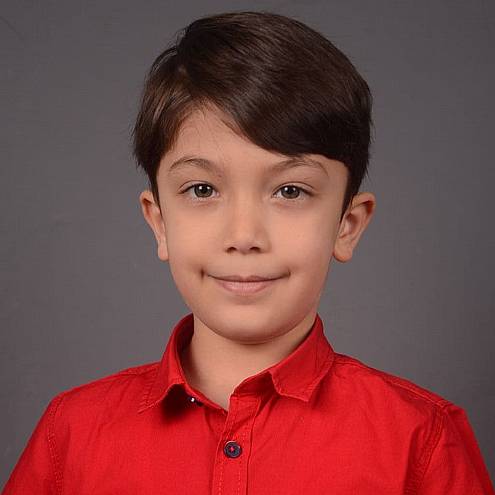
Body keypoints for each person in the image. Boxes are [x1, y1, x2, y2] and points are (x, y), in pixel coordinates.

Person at [2, 10, 493, 495]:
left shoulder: (421, 439)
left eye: (290, 191)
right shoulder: (72, 432)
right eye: (201, 189)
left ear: (348, 225)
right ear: (159, 222)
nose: (243, 235)